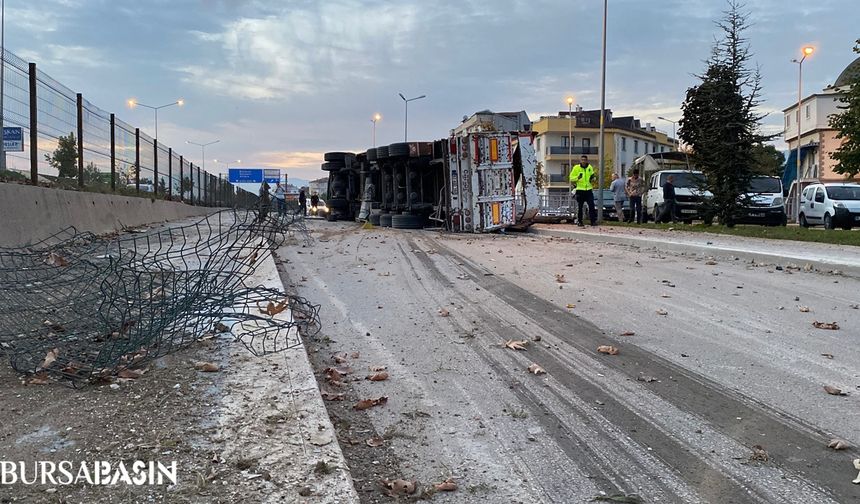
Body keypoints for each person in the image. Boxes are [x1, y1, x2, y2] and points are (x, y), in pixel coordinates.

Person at [569, 155, 597, 226]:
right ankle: (580, 221)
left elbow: (592, 175)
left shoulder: (589, 167)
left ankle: (593, 221)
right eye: (582, 160)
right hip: (580, 190)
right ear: (580, 161)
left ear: (587, 160)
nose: (584, 161)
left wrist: (593, 178)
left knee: (591, 205)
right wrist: (577, 178)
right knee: (580, 207)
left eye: (585, 160)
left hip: (588, 189)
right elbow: (571, 178)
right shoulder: (576, 168)